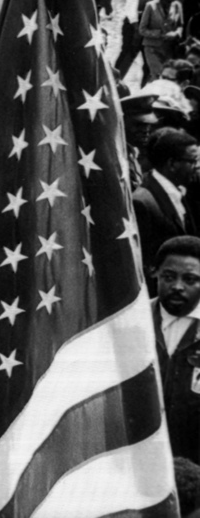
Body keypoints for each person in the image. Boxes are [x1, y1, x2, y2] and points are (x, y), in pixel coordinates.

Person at [152, 236, 200, 464]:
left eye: (190, 279)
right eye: (169, 277)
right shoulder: (132, 322)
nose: (178, 286)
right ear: (155, 274)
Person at [133, 128, 200, 290]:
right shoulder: (142, 202)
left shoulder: (179, 192)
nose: (197, 167)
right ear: (172, 164)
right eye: (192, 161)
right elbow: (144, 264)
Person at [140, 0, 185, 83]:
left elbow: (180, 25)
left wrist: (176, 33)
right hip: (152, 48)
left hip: (168, 50)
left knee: (168, 78)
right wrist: (159, 34)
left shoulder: (177, 6)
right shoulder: (150, 6)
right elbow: (142, 29)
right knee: (158, 76)